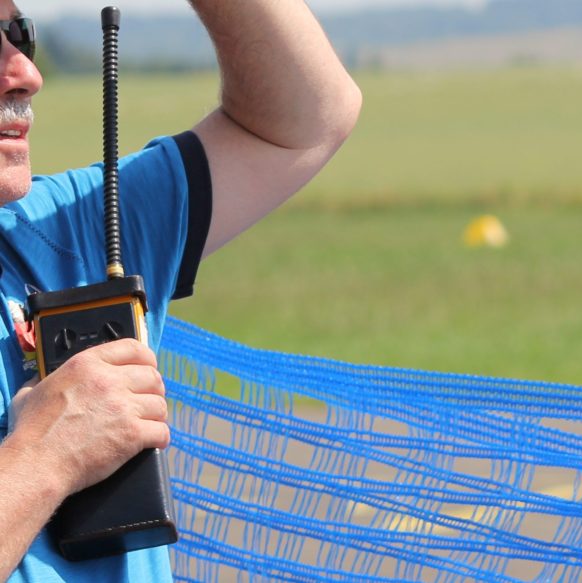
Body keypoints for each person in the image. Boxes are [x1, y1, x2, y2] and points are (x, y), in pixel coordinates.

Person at [0, 0, 361, 580]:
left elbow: (305, 121)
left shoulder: (63, 228)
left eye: (18, 33)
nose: (25, 74)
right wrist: (46, 456)